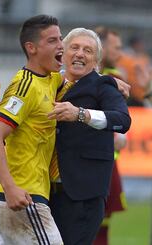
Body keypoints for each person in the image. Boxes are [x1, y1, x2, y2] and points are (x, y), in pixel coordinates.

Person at [0, 14, 64, 244]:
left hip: (13, 199)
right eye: (52, 41)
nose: (61, 45)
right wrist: (11, 188)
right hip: (23, 198)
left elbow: (74, 78)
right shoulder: (24, 86)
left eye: (60, 38)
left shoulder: (50, 78)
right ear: (31, 48)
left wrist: (109, 81)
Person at [47, 28, 131, 245]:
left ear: (96, 61)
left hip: (82, 195)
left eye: (88, 50)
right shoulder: (47, 84)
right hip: (42, 192)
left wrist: (80, 114)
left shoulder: (104, 86)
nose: (80, 54)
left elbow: (122, 120)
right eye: (74, 48)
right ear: (62, 54)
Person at [93, 26, 128, 245]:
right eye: (116, 48)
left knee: (103, 226)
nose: (120, 53)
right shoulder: (77, 79)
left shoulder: (116, 79)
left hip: (107, 164)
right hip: (86, 165)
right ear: (102, 48)